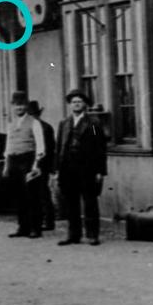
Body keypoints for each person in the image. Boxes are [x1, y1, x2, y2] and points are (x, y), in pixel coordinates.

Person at [55, 89, 108, 246]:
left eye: (79, 101)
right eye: (73, 102)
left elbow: (100, 147)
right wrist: (57, 169)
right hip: (68, 168)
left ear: (84, 104)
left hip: (87, 168)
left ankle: (92, 235)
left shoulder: (93, 124)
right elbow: (59, 148)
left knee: (90, 201)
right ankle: (73, 234)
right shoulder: (64, 124)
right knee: (71, 203)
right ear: (70, 105)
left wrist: (100, 170)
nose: (76, 104)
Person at [3, 91, 49, 239]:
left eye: (22, 105)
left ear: (26, 106)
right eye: (16, 106)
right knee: (19, 196)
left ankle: (36, 228)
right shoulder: (11, 124)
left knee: (32, 196)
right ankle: (23, 227)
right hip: (14, 161)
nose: (19, 108)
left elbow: (40, 146)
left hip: (28, 160)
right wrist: (6, 165)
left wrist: (36, 166)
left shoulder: (34, 122)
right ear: (12, 107)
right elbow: (8, 146)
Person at [27, 101, 58, 232]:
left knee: (42, 192)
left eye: (33, 114)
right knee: (39, 192)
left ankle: (48, 220)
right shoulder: (45, 126)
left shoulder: (43, 128)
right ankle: (43, 220)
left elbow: (49, 148)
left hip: (41, 164)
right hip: (37, 164)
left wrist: (43, 165)